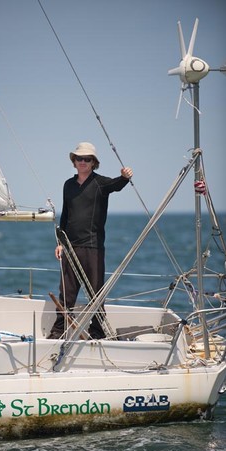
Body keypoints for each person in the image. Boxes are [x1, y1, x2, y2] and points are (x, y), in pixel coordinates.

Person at [48, 142, 133, 340]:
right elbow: (66, 215)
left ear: (93, 162)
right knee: (66, 294)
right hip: (70, 246)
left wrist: (125, 176)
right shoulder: (68, 185)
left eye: (87, 159)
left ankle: (97, 333)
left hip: (93, 247)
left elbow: (117, 185)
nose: (83, 162)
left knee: (95, 293)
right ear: (74, 161)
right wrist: (61, 242)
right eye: (79, 158)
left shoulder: (101, 183)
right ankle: (59, 331)